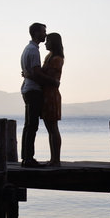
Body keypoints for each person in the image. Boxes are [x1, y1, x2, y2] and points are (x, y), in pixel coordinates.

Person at [20, 22, 47, 167]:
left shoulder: (27, 49)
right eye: (43, 32)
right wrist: (52, 81)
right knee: (32, 125)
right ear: (36, 33)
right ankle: (28, 158)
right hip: (33, 90)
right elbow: (36, 73)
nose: (45, 34)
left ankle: (26, 157)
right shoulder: (34, 51)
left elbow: (30, 72)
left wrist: (27, 75)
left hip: (27, 89)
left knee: (28, 125)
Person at [39, 32, 64, 166]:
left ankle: (56, 159)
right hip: (46, 94)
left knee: (53, 128)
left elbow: (53, 80)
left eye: (48, 41)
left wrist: (34, 74)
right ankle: (53, 158)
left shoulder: (57, 59)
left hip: (51, 95)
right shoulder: (49, 57)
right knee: (50, 128)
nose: (45, 43)